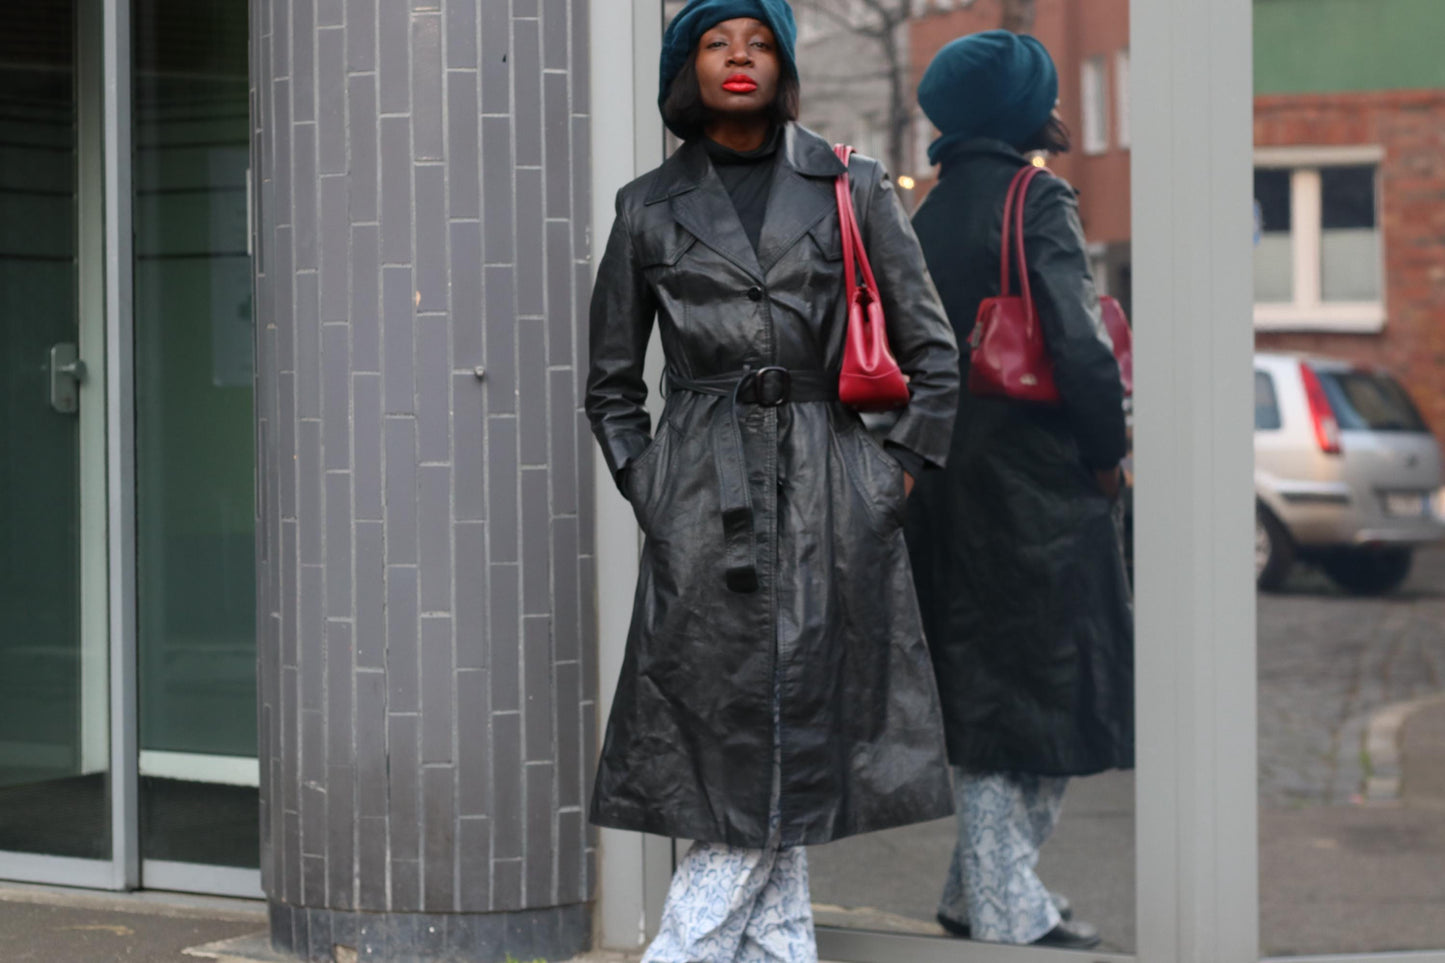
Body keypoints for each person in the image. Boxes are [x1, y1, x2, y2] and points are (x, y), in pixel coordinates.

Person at [585, 1, 961, 959]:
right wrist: (653, 489)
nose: (739, 57)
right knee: (736, 753)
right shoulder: (645, 207)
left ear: (784, 65)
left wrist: (891, 480)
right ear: (689, 69)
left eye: (758, 41)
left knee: (788, 744)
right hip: (705, 499)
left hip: (831, 489)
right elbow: (611, 384)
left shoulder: (855, 185)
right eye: (716, 42)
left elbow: (933, 354)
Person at [904, 30, 1134, 951]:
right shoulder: (1034, 199)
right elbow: (1078, 342)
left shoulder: (923, 213)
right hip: (1034, 481)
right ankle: (1009, 909)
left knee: (985, 691)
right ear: (1019, 107)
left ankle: (977, 894)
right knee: (1041, 695)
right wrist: (1106, 451)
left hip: (943, 479)